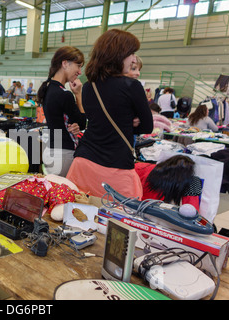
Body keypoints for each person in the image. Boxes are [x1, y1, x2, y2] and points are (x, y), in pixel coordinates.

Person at [66, 29, 153, 199]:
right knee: (118, 220)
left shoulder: (90, 86)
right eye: (132, 53)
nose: (134, 58)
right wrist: (130, 123)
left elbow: (96, 121)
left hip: (84, 162)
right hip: (116, 168)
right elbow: (147, 126)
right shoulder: (132, 86)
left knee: (79, 215)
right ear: (118, 54)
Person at [37, 46, 86, 177]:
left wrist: (74, 124)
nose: (80, 72)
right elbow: (82, 123)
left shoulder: (48, 89)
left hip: (52, 150)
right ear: (65, 63)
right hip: (63, 153)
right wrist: (79, 95)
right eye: (78, 66)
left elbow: (71, 123)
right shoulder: (64, 94)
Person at [135, 155, 202, 209]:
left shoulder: (141, 167)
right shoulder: (191, 182)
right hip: (148, 209)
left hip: (134, 205)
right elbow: (192, 212)